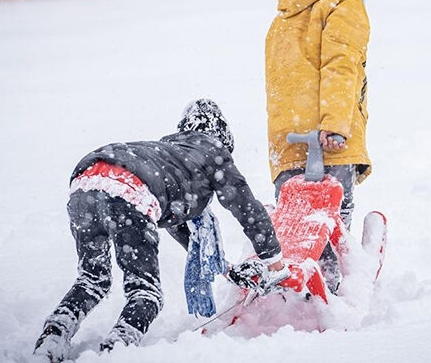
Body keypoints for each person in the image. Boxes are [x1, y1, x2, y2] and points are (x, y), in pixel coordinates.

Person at [33, 99, 287, 362]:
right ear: (223, 137)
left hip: (86, 182)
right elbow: (248, 209)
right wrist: (275, 264)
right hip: (129, 190)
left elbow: (188, 239)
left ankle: (53, 337)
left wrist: (229, 271)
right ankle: (114, 351)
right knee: (146, 293)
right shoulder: (212, 151)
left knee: (92, 280)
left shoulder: (168, 156)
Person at [264, 0, 374, 292]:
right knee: (332, 218)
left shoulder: (287, 10)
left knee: (297, 226)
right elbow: (341, 67)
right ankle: (334, 290)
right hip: (328, 135)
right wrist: (335, 125)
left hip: (286, 139)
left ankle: (296, 289)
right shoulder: (344, 0)